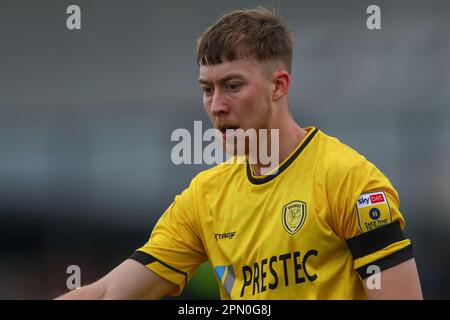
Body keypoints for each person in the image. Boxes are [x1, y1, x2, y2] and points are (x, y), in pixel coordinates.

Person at [57, 7, 422, 300]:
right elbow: (108, 293)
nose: (216, 105)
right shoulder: (204, 198)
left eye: (232, 86)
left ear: (278, 86)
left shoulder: (349, 181)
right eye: (207, 89)